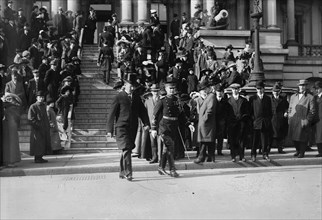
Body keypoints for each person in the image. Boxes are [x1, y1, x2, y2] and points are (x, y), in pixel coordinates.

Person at [106, 74, 150, 181]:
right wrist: (109, 130)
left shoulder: (136, 97)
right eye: (131, 85)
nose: (132, 88)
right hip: (121, 127)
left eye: (134, 86)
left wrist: (146, 123)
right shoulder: (119, 97)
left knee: (127, 149)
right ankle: (128, 172)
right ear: (125, 85)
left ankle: (122, 172)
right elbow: (111, 114)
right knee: (126, 148)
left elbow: (142, 112)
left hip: (132, 127)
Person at [151, 77, 194, 177]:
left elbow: (181, 115)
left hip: (174, 127)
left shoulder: (177, 101)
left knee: (167, 149)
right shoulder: (162, 101)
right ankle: (172, 170)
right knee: (170, 148)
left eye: (173, 88)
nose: (172, 90)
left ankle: (161, 168)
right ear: (166, 89)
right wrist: (153, 128)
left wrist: (189, 124)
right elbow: (155, 115)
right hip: (164, 127)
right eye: (170, 88)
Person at [288, 79, 316, 158]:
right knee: (294, 137)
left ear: (306, 87)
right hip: (294, 118)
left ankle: (302, 152)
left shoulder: (310, 97)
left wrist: (308, 120)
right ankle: (297, 150)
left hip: (303, 118)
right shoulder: (293, 96)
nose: (302, 87)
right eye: (300, 85)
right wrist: (289, 117)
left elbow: (312, 110)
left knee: (302, 137)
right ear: (298, 86)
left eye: (303, 86)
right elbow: (290, 107)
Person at [193, 80, 216, 164]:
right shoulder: (209, 96)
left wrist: (204, 119)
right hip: (206, 123)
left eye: (205, 88)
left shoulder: (211, 96)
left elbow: (210, 109)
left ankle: (201, 157)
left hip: (206, 123)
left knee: (204, 140)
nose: (204, 90)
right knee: (207, 141)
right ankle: (210, 157)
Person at [249, 81, 273, 162]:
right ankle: (253, 154)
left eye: (260, 88)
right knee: (254, 140)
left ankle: (265, 154)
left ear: (263, 89)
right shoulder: (252, 99)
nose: (259, 90)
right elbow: (250, 111)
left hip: (265, 122)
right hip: (256, 122)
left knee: (265, 140)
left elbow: (270, 111)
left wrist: (268, 120)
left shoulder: (268, 99)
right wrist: (253, 120)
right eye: (258, 89)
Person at [227, 83, 250, 162]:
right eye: (233, 89)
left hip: (241, 123)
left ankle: (241, 155)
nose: (235, 91)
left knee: (241, 140)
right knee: (232, 140)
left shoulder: (243, 100)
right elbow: (226, 113)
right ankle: (233, 156)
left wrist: (243, 118)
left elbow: (247, 112)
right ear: (232, 90)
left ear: (239, 90)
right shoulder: (228, 101)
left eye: (236, 89)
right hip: (232, 123)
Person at [28, 90, 52, 163]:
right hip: (37, 129)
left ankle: (40, 157)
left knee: (43, 143)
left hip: (44, 128)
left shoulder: (44, 106)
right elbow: (30, 119)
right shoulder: (33, 106)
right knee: (37, 143)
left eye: (42, 97)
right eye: (39, 97)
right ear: (36, 98)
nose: (41, 99)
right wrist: (38, 125)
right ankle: (37, 157)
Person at [1, 93, 22, 168]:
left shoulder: (8, 109)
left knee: (9, 145)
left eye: (9, 99)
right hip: (11, 129)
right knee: (11, 145)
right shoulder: (14, 109)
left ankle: (9, 161)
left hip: (8, 129)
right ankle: (11, 161)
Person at [269, 83, 289, 154]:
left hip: (281, 119)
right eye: (274, 91)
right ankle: (267, 150)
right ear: (272, 91)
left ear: (280, 91)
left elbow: (287, 107)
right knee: (271, 135)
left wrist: (286, 112)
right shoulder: (269, 99)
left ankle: (280, 149)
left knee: (280, 135)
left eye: (277, 91)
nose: (276, 93)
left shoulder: (283, 99)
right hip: (272, 119)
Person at [144, 84, 161, 164]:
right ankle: (154, 157)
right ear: (151, 92)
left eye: (157, 91)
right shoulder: (147, 101)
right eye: (154, 91)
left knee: (160, 142)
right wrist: (146, 124)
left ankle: (161, 157)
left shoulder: (162, 100)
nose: (155, 93)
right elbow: (144, 113)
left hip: (160, 124)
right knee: (153, 142)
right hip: (151, 124)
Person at [214, 84, 229, 156]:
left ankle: (219, 151)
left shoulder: (225, 102)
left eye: (220, 91)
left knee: (220, 137)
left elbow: (226, 112)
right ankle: (212, 151)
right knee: (213, 137)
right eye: (218, 91)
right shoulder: (213, 100)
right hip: (214, 121)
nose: (219, 93)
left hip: (222, 121)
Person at [313, 81, 322, 157]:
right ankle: (320, 151)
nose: (316, 90)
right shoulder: (314, 97)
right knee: (318, 136)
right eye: (315, 89)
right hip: (317, 120)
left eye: (318, 88)